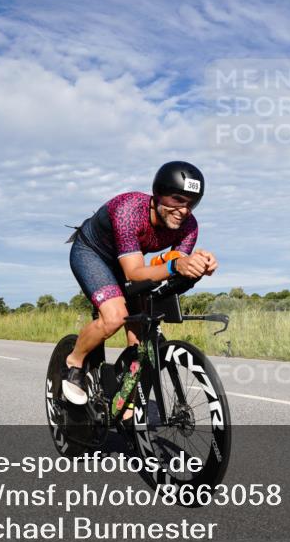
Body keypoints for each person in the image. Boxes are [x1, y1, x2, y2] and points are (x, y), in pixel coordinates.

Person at [64, 162, 218, 411]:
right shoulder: (129, 210)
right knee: (115, 318)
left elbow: (169, 266)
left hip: (129, 260)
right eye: (177, 199)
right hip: (93, 254)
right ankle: (75, 361)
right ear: (157, 194)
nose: (183, 210)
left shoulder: (190, 226)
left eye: (191, 203)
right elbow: (135, 274)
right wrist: (175, 266)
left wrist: (197, 268)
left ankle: (126, 405)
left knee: (141, 335)